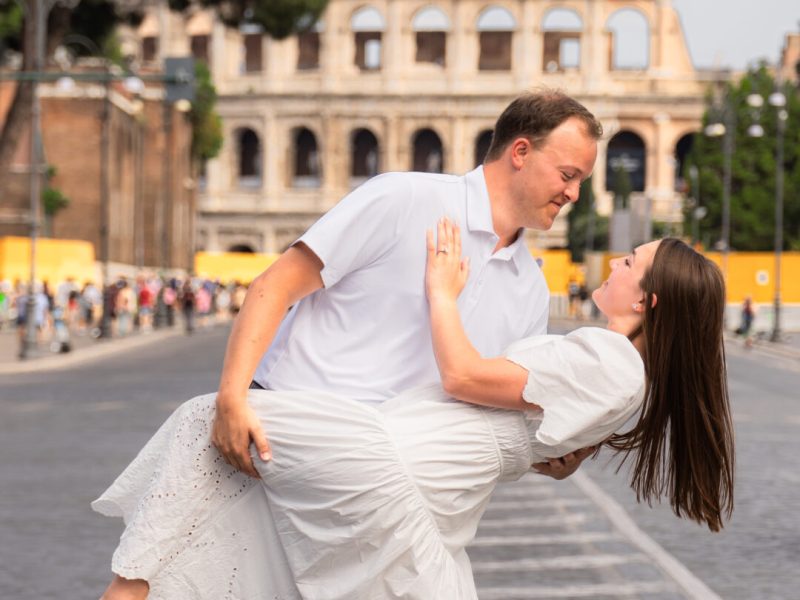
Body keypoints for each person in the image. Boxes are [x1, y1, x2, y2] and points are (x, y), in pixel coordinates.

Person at [94, 221, 735, 599]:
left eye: (631, 263)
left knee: (204, 422)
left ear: (647, 300)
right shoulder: (623, 371)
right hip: (412, 478)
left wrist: (442, 293)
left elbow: (462, 376)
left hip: (392, 463)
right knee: (254, 537)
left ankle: (128, 587)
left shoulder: (611, 359)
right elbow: (555, 444)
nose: (617, 263)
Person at [212, 91, 602, 483]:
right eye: (568, 175)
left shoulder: (531, 289)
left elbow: (493, 410)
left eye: (580, 181)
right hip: (280, 441)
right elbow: (273, 286)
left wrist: (544, 455)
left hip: (392, 483)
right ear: (520, 152)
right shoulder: (403, 198)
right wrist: (231, 398)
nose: (574, 195)